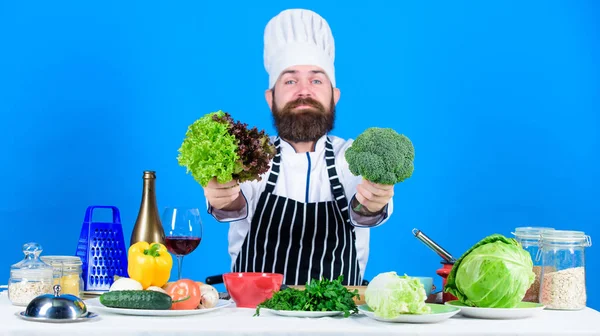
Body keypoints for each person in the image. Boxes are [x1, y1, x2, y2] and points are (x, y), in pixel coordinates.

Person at [204, 8, 395, 286]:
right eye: (290, 80)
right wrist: (222, 196)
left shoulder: (353, 157)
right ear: (271, 98)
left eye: (316, 80)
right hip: (254, 321)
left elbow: (364, 210)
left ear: (335, 96)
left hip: (337, 320)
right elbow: (233, 202)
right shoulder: (250, 156)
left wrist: (373, 202)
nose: (303, 91)